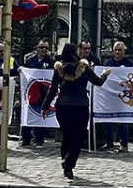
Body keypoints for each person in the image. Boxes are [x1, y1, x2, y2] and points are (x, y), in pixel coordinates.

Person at [41, 43, 111, 179]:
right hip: (80, 106)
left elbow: (53, 89)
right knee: (78, 138)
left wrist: (45, 107)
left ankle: (65, 164)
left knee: (66, 136)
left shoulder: (59, 68)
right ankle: (68, 163)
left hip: (63, 106)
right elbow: (98, 82)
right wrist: (105, 74)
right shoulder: (83, 67)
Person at [99, 41, 133, 152]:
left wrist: (125, 82)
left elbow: (132, 78)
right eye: (116, 50)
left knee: (123, 120)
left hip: (123, 96)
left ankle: (124, 144)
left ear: (124, 51)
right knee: (108, 120)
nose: (118, 52)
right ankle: (109, 142)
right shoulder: (108, 63)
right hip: (110, 96)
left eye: (120, 50)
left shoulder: (129, 63)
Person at [21, 41, 54, 147]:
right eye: (42, 47)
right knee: (28, 114)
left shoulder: (51, 61)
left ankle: (39, 138)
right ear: (37, 48)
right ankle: (26, 138)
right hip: (32, 92)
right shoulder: (31, 60)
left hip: (44, 93)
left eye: (46, 48)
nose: (44, 49)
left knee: (41, 115)